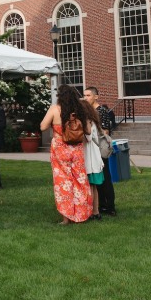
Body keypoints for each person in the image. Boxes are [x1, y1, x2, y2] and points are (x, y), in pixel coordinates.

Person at [40, 85, 94, 225]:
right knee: (80, 181)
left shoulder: (55, 109)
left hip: (60, 150)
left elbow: (43, 126)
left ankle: (66, 218)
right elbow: (88, 131)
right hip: (76, 150)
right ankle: (81, 216)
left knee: (63, 182)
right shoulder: (80, 110)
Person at [83, 87, 117, 216]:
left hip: (100, 148)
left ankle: (110, 206)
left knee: (106, 178)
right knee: (97, 179)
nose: (85, 98)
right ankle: (101, 205)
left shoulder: (101, 111)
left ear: (96, 96)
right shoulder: (88, 111)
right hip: (92, 149)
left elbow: (105, 131)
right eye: (84, 95)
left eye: (88, 95)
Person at [80, 99, 106, 220]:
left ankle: (91, 211)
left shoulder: (87, 121)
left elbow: (89, 137)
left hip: (90, 159)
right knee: (94, 187)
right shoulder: (94, 120)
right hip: (95, 158)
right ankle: (96, 211)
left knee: (90, 186)